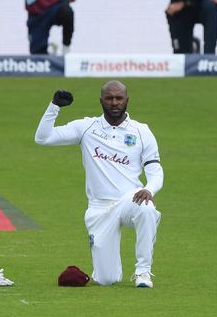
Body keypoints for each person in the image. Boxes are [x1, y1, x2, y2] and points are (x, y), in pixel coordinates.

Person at [34, 81, 164, 289]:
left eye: (119, 98)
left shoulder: (141, 131)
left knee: (147, 209)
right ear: (101, 100)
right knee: (107, 279)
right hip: (99, 208)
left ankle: (143, 272)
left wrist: (148, 189)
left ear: (127, 100)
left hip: (130, 199)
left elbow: (155, 170)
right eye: (109, 98)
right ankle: (103, 269)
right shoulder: (86, 127)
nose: (114, 103)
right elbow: (43, 138)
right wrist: (54, 107)